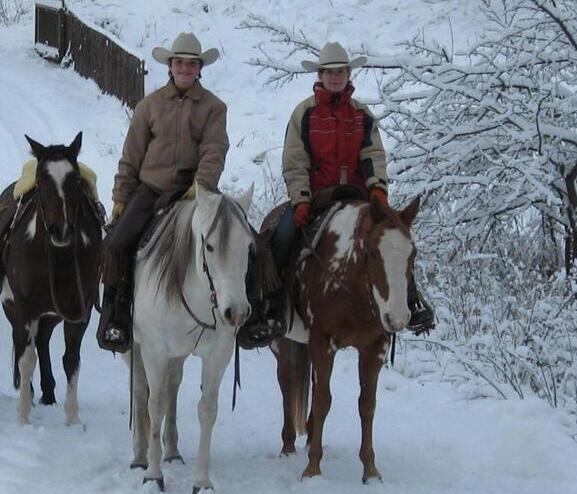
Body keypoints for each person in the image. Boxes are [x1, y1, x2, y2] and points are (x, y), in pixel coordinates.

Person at [238, 42, 434, 347]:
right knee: (283, 234)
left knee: (394, 238)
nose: (335, 77)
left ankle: (411, 300)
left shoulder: (361, 114)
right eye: (329, 72)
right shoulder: (304, 113)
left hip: (357, 198)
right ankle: (270, 308)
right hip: (317, 196)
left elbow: (373, 155)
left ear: (348, 74)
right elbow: (295, 159)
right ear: (320, 75)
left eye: (340, 71)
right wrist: (301, 199)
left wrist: (378, 192)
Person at [97, 32, 230, 353]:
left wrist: (201, 187)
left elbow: (214, 150)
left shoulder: (213, 107)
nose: (185, 68)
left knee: (239, 240)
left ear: (200, 68)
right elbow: (131, 156)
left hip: (195, 191)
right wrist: (120, 198)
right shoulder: (149, 106)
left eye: (192, 64)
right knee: (116, 244)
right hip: (151, 188)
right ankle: (116, 316)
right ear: (170, 66)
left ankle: (243, 310)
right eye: (180, 63)